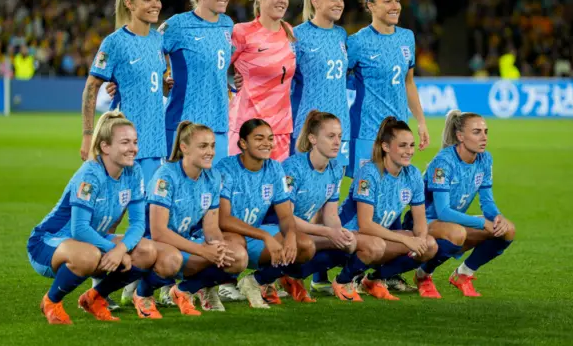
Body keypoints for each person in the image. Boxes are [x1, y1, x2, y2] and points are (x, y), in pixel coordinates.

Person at [27, 110, 157, 324]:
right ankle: (51, 301)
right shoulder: (90, 174)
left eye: (135, 142)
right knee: (89, 256)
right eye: (125, 142)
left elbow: (138, 223)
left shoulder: (134, 172)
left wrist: (120, 249)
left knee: (147, 251)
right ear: (105, 147)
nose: (133, 148)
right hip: (47, 243)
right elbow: (79, 228)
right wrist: (112, 250)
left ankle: (94, 298)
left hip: (88, 243)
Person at [129, 121, 248, 318]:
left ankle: (184, 290)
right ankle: (143, 294)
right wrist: (203, 251)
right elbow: (158, 232)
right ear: (184, 148)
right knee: (171, 260)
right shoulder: (165, 176)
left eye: (212, 146)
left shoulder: (212, 177)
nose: (210, 151)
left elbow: (211, 228)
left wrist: (218, 248)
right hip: (154, 245)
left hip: (187, 242)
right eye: (203, 146)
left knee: (237, 257)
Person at [273, 111, 386, 302]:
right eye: (331, 136)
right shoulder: (293, 168)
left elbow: (331, 215)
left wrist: (339, 232)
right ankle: (270, 277)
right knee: (312, 244)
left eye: (340, 136)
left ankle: (295, 277)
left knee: (349, 243)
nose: (337, 142)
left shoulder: (335, 169)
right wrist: (327, 232)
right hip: (279, 230)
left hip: (306, 231)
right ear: (313, 139)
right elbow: (286, 218)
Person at [412, 109, 516, 297]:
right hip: (422, 221)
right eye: (476, 132)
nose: (483, 137)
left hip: (452, 223)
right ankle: (423, 275)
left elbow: (487, 202)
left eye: (485, 132)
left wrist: (497, 216)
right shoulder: (444, 162)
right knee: (457, 233)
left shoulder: (485, 159)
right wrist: (483, 222)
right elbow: (443, 212)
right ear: (460, 136)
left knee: (507, 229)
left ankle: (464, 274)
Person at [217, 119, 316, 308]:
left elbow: (286, 215)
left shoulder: (274, 168)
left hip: (253, 235)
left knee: (305, 245)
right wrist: (265, 236)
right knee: (236, 244)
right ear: (243, 144)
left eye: (270, 138)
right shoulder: (226, 168)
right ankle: (216, 284)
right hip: (227, 235)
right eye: (259, 138)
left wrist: (290, 236)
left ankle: (255, 281)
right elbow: (223, 219)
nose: (267, 143)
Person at [81, 0, 167, 184]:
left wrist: (166, 86)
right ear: (129, 4)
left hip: (156, 142)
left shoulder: (159, 40)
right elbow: (91, 87)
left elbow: (156, 85)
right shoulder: (115, 42)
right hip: (123, 140)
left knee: (149, 210)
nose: (155, 4)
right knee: (112, 210)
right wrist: (87, 135)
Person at [338, 117, 438, 300]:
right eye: (402, 146)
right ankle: (343, 280)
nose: (409, 151)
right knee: (377, 246)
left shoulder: (413, 174)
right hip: (348, 234)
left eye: (411, 145)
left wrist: (420, 241)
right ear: (385, 147)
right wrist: (406, 241)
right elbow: (365, 225)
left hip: (377, 238)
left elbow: (420, 221)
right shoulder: (370, 173)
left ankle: (374, 279)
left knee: (430, 245)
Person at [347, 0, 430, 178]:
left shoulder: (406, 37)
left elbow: (408, 82)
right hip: (368, 131)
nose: (395, 6)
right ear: (371, 6)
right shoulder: (358, 41)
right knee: (365, 194)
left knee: (391, 192)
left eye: (397, 0)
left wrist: (421, 121)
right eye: (388, 1)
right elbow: (337, 77)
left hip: (399, 130)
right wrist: (358, 82)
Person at [160, 0, 234, 162]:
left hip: (218, 127)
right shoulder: (177, 25)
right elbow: (148, 50)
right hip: (183, 126)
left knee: (215, 191)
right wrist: (160, 81)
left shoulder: (228, 24)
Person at [228, 0, 296, 162]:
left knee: (275, 187)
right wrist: (231, 83)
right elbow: (218, 66)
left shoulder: (289, 30)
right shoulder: (242, 32)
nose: (282, 0)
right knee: (243, 186)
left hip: (280, 129)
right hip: (248, 127)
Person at [290, 0, 350, 167]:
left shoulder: (341, 34)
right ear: (315, 1)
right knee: (303, 190)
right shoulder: (297, 35)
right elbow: (286, 78)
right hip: (310, 127)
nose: (339, 3)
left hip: (340, 126)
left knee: (333, 190)